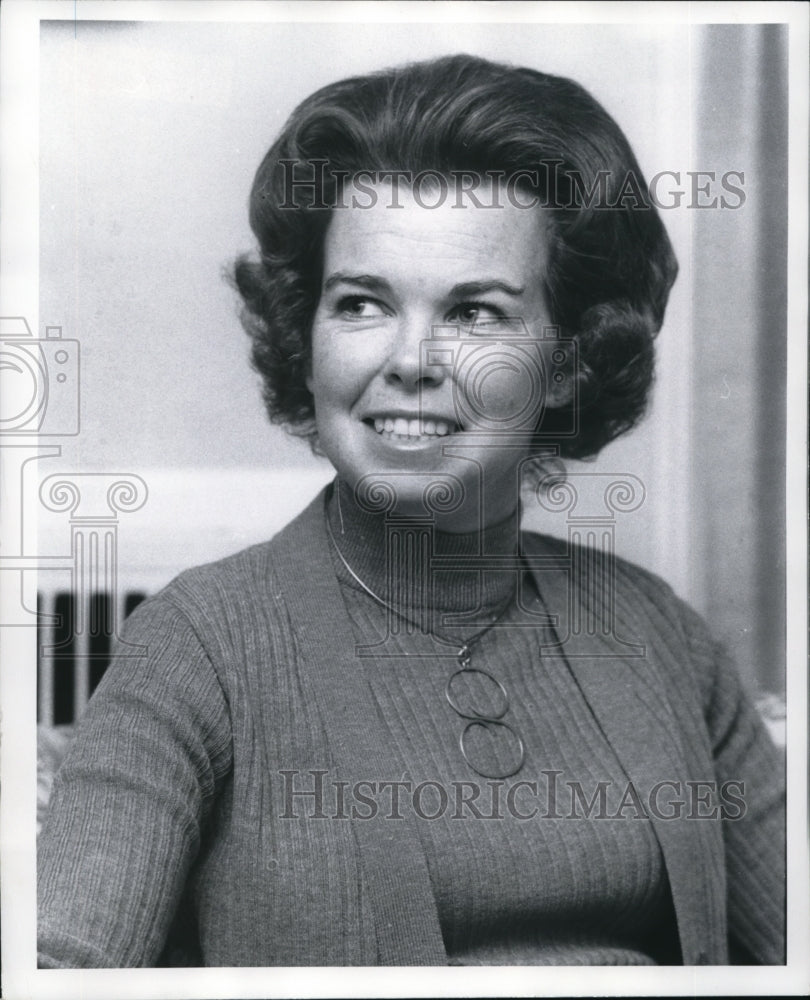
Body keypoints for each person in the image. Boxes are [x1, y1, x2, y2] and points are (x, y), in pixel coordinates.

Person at [37, 53, 785, 968]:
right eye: (362, 303)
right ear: (304, 342)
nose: (411, 359)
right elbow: (58, 971)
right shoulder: (200, 648)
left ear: (571, 361)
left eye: (476, 313)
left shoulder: (665, 639)